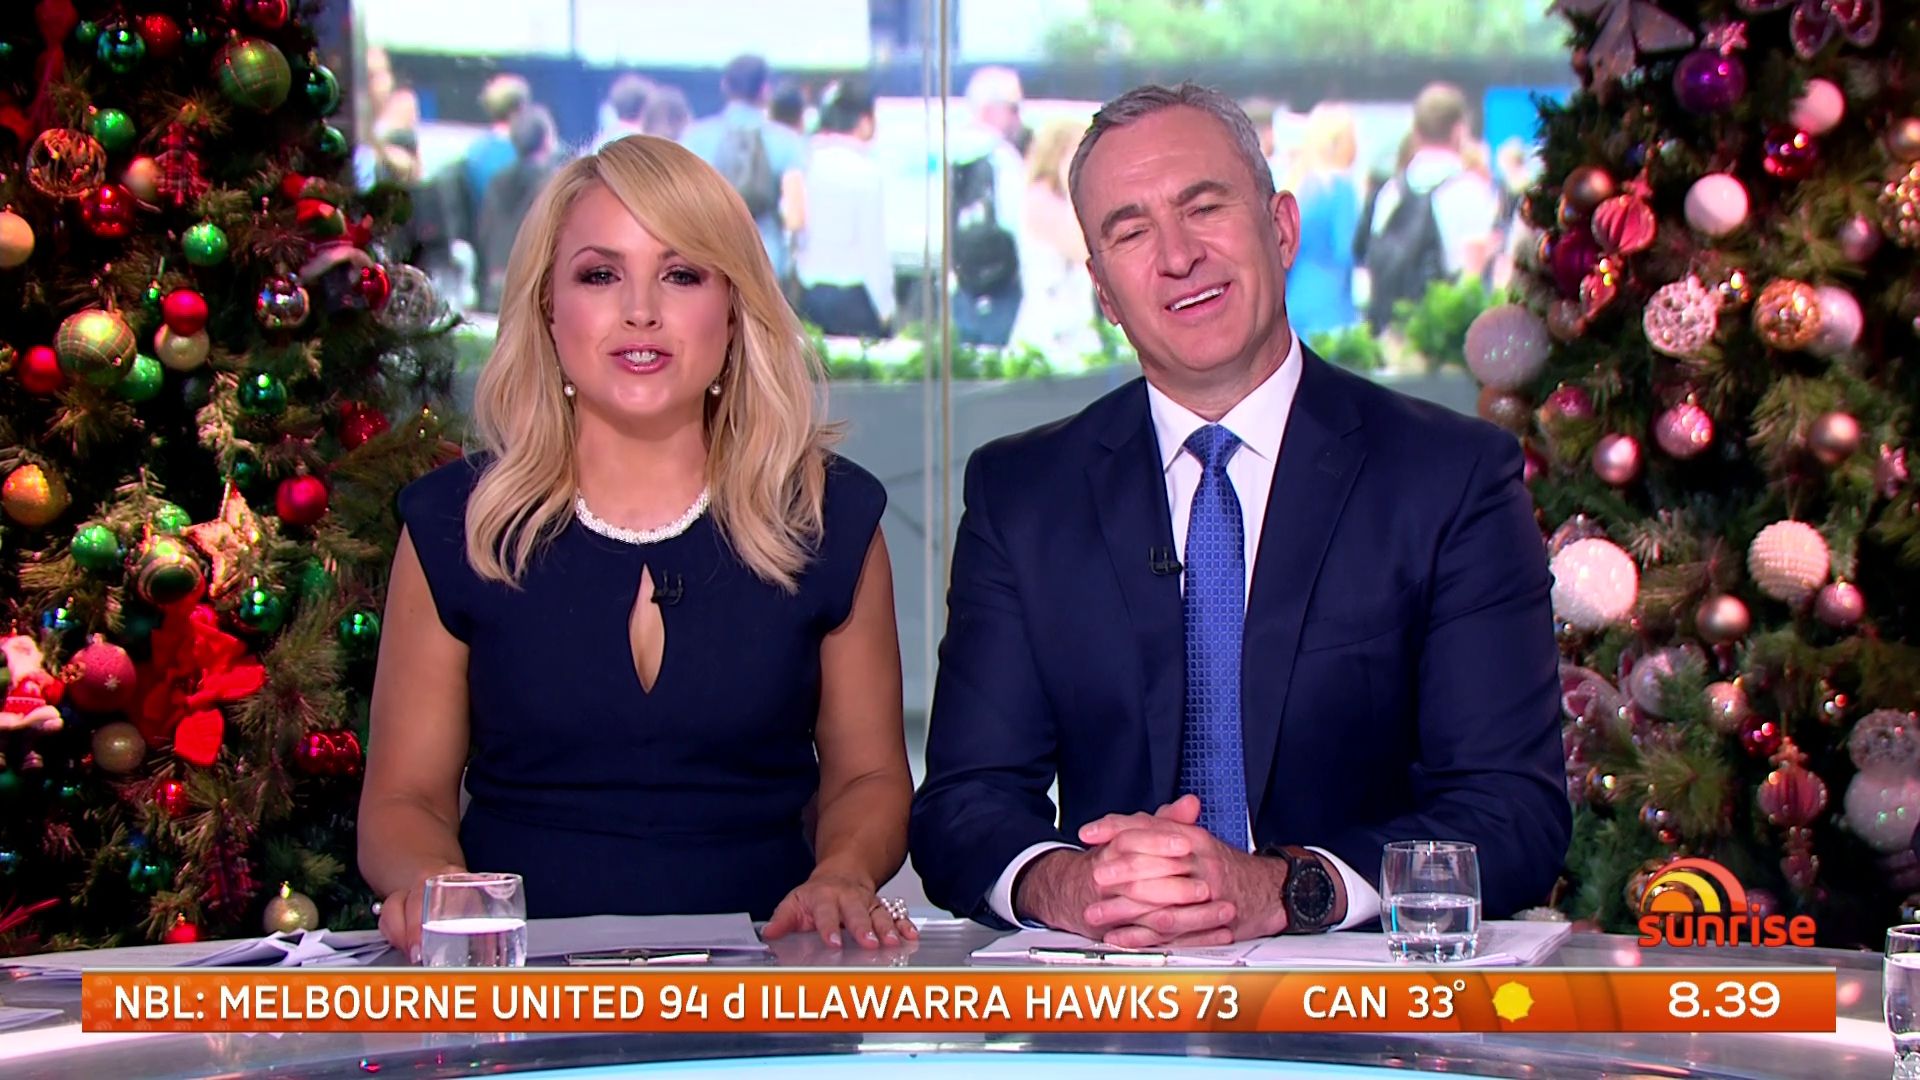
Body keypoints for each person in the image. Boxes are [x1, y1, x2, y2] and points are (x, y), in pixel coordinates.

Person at [909, 83, 1569, 946]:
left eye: (1204, 207)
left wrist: (1281, 889)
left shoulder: (1449, 478)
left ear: (1282, 228)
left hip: (1358, 997)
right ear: (1104, 291)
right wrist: (1078, 887)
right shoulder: (1024, 494)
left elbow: (1512, 812)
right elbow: (963, 806)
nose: (1178, 256)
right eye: (1131, 232)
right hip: (1118, 990)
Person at [359, 135, 915, 960]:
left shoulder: (827, 519)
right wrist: (435, 886)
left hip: (766, 984)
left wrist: (843, 872)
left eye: (682, 274)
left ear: (735, 308)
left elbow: (869, 778)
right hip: (517, 991)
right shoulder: (457, 524)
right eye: (599, 275)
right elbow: (403, 800)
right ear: (548, 308)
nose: (641, 311)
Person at [1359, 82, 1502, 332]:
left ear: (1416, 131)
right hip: (1446, 332)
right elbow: (1473, 273)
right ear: (1459, 130)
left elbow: (1375, 265)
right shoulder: (1472, 191)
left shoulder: (1390, 192)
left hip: (1396, 331)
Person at [682, 55, 808, 284]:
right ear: (765, 90)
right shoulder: (787, 141)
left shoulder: (696, 138)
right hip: (767, 262)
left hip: (710, 260)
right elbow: (796, 218)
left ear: (725, 86)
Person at [794, 79, 894, 339]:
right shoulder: (866, 172)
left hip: (810, 295)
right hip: (854, 299)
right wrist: (886, 307)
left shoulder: (806, 163)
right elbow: (873, 246)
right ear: (865, 121)